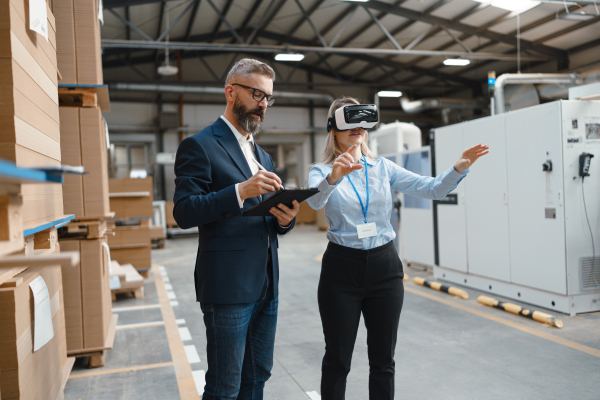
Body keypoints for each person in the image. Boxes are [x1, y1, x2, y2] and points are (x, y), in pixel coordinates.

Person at [307, 96, 489, 399]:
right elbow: (314, 201)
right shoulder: (321, 170)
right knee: (338, 359)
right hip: (342, 269)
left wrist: (459, 168)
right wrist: (334, 178)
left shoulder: (382, 168)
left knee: (383, 360)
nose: (358, 128)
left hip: (384, 268)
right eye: (350, 122)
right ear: (334, 128)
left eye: (363, 123)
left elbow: (432, 188)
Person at [173, 58, 300, 399]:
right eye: (257, 93)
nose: (263, 104)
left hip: (266, 283)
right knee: (225, 386)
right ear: (231, 92)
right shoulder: (200, 146)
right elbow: (184, 211)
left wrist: (284, 220)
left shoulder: (262, 155)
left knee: (257, 377)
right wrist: (240, 191)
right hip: (228, 287)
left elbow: (266, 219)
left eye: (268, 98)